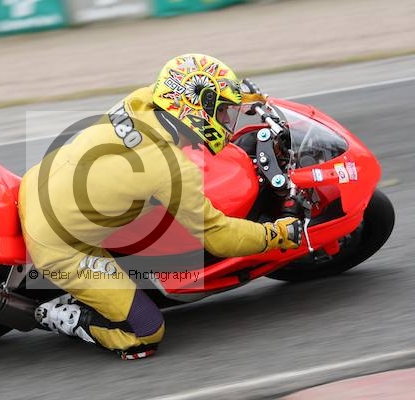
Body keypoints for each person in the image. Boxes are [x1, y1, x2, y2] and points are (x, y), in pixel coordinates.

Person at [18, 54, 301, 360]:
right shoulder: (170, 170)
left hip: (37, 180)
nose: (225, 120)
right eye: (221, 111)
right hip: (62, 246)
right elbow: (219, 238)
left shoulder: (139, 100)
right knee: (146, 331)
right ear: (196, 108)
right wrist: (276, 235)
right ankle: (67, 316)